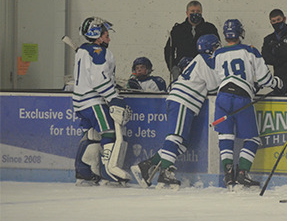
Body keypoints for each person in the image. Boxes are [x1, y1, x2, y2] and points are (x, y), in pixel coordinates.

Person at [131, 34, 222, 189]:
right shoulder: (205, 60)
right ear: (210, 47)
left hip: (184, 102)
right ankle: (165, 174)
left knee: (182, 144)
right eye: (216, 46)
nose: (217, 49)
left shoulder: (199, 60)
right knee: (175, 137)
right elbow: (213, 86)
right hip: (183, 101)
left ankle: (146, 165)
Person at [213, 19, 284, 188]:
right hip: (241, 97)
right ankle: (243, 173)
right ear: (240, 32)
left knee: (225, 136)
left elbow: (215, 79)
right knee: (252, 138)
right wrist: (278, 84)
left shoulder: (217, 53)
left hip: (222, 96)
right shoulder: (250, 51)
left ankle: (228, 174)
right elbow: (265, 78)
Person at [73, 17, 132, 186]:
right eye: (106, 35)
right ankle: (109, 171)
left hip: (80, 102)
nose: (109, 39)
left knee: (92, 135)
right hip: (94, 101)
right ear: (97, 35)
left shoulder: (83, 50)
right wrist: (113, 96)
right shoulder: (99, 51)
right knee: (109, 132)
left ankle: (84, 171)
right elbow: (98, 80)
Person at [164, 0, 219, 81]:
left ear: (202, 12)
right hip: (182, 70)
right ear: (187, 13)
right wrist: (173, 68)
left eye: (198, 11)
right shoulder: (178, 29)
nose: (195, 13)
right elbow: (169, 50)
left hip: (204, 69)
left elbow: (217, 49)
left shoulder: (210, 28)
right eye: (192, 11)